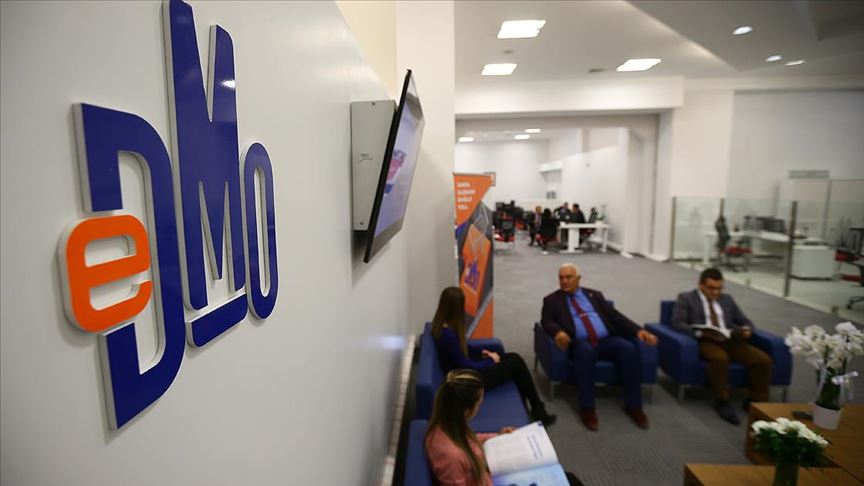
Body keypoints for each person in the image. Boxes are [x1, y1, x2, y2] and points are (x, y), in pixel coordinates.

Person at [541, 263, 658, 431]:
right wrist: (558, 332)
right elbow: (547, 321)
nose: (564, 281)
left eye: (569, 277)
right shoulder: (552, 300)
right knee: (585, 353)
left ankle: (634, 406)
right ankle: (587, 408)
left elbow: (615, 316)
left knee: (628, 349)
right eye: (561, 278)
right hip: (580, 343)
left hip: (605, 340)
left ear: (578, 279)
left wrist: (638, 330)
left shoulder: (594, 295)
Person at [425, 370, 584, 486]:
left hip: (488, 475)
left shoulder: (446, 424)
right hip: (493, 480)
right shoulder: (452, 457)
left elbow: (471, 441)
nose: (480, 407)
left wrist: (497, 435)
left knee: (568, 478)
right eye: (479, 404)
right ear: (466, 411)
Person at [431, 287, 557, 426]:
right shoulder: (448, 335)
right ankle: (538, 410)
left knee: (512, 359)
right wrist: (491, 360)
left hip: (464, 374)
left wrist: (483, 352)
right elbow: (467, 366)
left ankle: (532, 408)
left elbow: (463, 347)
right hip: (466, 382)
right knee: (516, 362)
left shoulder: (442, 326)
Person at [671, 268, 772, 425]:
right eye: (711, 288)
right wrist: (699, 333)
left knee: (763, 360)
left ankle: (754, 401)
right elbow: (678, 323)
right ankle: (722, 401)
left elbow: (744, 320)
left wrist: (747, 330)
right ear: (700, 285)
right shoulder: (686, 298)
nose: (716, 292)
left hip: (731, 339)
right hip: (705, 340)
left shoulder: (727, 299)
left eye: (719, 288)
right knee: (720, 359)